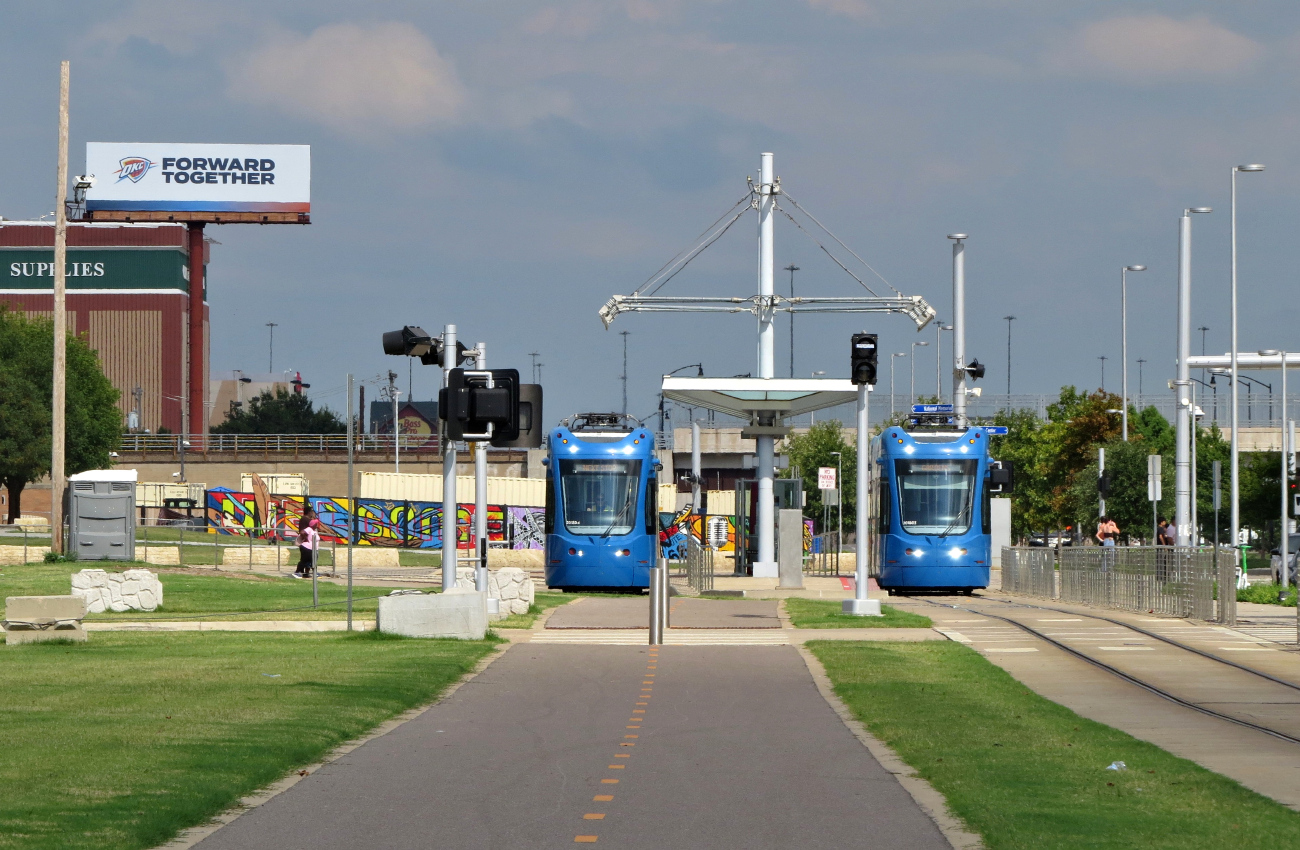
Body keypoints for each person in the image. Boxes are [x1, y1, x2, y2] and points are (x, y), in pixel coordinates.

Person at [294, 509, 320, 578]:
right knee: (304, 560)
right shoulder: (309, 528)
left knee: (311, 561)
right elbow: (302, 532)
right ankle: (297, 572)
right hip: (306, 547)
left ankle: (306, 573)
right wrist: (305, 538)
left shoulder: (314, 531)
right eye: (315, 524)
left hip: (313, 548)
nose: (316, 525)